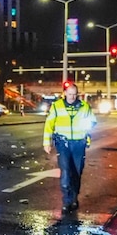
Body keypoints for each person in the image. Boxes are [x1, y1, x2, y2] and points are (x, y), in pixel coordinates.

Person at [42, 83, 97, 213]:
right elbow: (49, 124)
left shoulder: (84, 106)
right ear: (65, 93)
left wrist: (87, 129)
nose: (72, 97)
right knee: (66, 172)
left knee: (77, 172)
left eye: (74, 94)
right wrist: (46, 142)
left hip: (79, 143)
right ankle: (66, 201)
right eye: (70, 94)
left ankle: (74, 198)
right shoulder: (57, 106)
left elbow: (93, 121)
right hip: (63, 144)